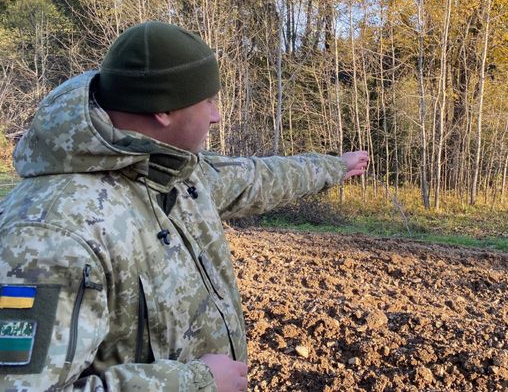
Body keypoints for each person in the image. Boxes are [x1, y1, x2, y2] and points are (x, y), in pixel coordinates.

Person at [0, 21, 369, 391]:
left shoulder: (174, 170)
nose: (216, 115)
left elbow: (259, 177)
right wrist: (196, 384)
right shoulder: (47, 233)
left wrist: (337, 166)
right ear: (163, 110)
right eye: (208, 101)